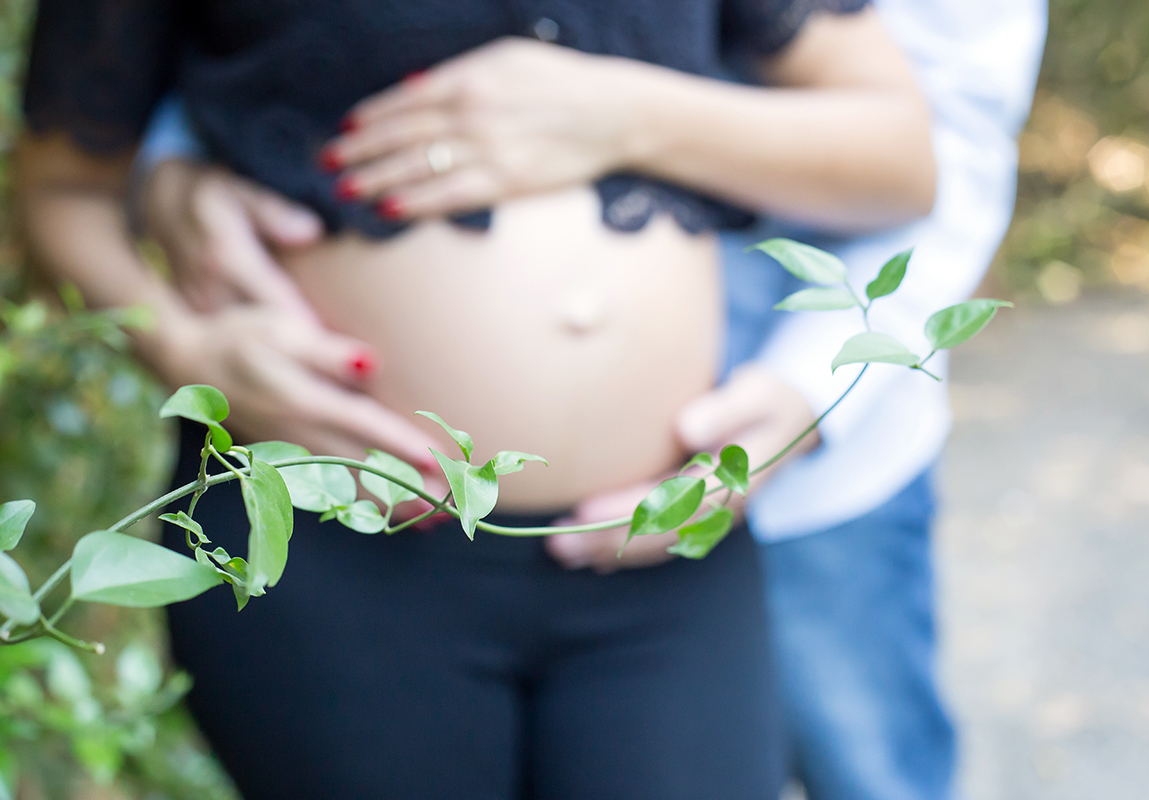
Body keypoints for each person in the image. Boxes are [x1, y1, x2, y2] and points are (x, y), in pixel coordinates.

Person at [15, 1, 937, 798]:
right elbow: (59, 189)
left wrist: (625, 113)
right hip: (333, 542)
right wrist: (186, 348)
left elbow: (902, 155)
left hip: (665, 545)